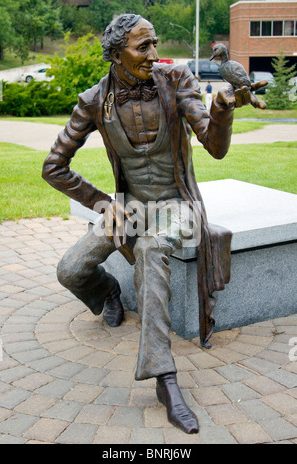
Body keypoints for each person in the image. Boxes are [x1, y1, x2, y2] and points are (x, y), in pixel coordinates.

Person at [42, 14, 267, 434]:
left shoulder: (176, 79)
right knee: (70, 270)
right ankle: (109, 291)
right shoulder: (95, 99)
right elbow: (53, 166)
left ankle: (165, 380)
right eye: (142, 47)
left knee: (148, 247)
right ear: (116, 54)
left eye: (155, 44)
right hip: (130, 208)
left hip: (178, 205)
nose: (154, 54)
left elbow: (214, 146)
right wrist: (102, 201)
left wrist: (221, 111)